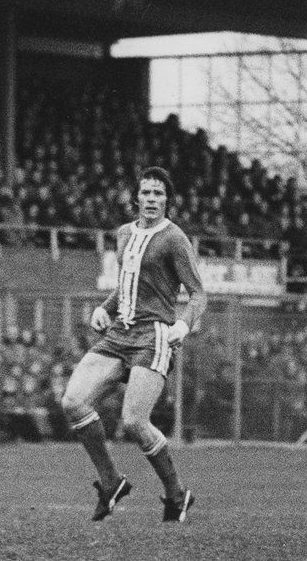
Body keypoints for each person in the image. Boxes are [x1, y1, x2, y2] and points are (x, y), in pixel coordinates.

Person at [60, 166, 206, 523]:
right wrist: (104, 307)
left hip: (153, 334)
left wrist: (184, 325)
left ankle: (176, 495)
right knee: (73, 402)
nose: (152, 199)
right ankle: (111, 483)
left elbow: (198, 293)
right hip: (119, 333)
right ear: (136, 197)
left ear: (168, 200)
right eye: (146, 193)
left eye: (159, 194)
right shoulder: (124, 233)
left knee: (134, 422)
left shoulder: (173, 238)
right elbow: (127, 284)